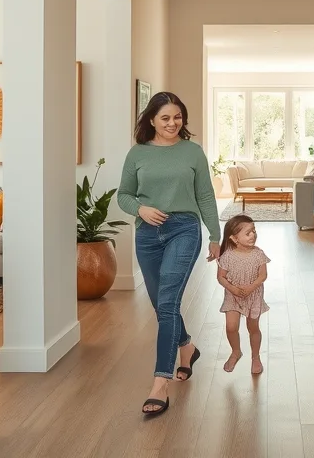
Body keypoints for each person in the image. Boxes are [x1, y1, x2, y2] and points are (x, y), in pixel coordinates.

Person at [117, 91, 221, 417]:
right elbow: (123, 195)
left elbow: (205, 195)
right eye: (165, 118)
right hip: (148, 234)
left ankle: (160, 383)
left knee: (167, 304)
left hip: (184, 230)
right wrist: (140, 209)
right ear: (152, 120)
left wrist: (215, 235)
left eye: (178, 117)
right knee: (162, 303)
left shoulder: (192, 152)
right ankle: (187, 347)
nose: (173, 123)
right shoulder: (137, 153)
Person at [216, 214, 270, 375]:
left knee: (253, 328)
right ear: (234, 238)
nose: (253, 235)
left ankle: (255, 357)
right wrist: (232, 289)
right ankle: (236, 351)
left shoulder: (258, 254)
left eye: (254, 231)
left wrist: (251, 287)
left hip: (253, 296)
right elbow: (221, 277)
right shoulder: (227, 256)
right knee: (231, 327)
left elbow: (263, 275)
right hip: (233, 296)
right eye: (248, 233)